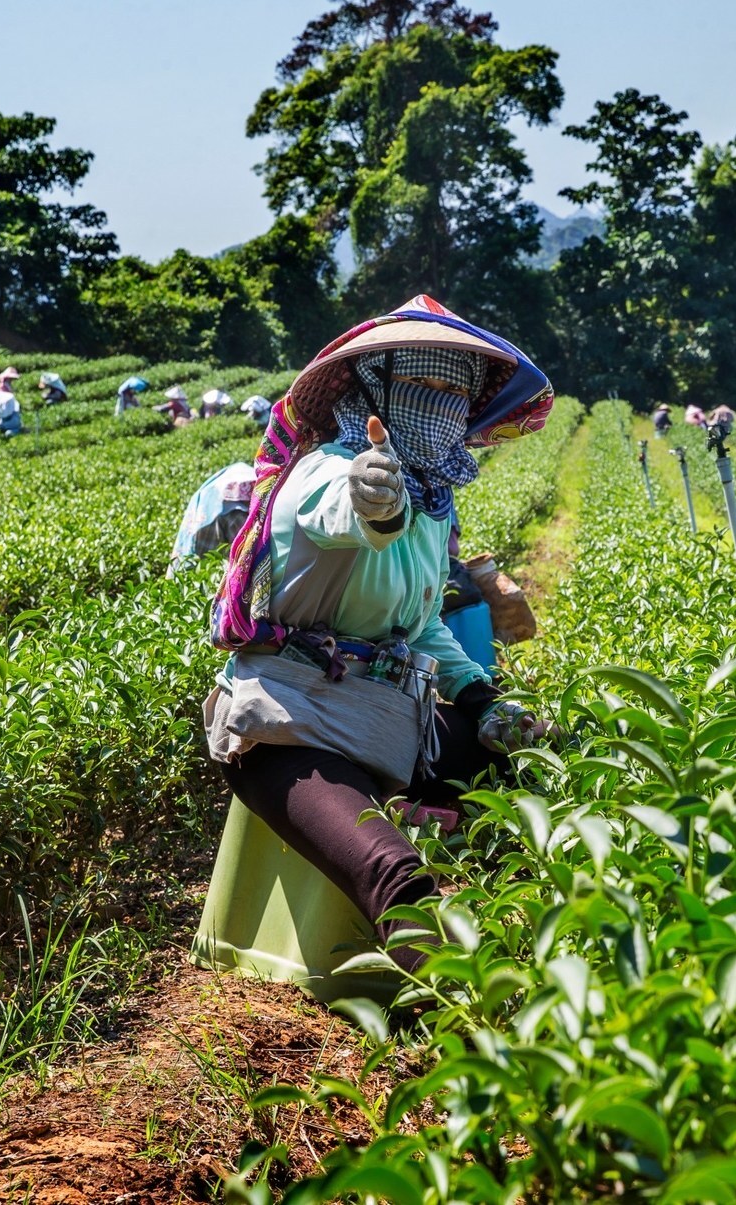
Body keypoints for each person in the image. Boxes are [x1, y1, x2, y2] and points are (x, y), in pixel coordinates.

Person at [205, 296, 557, 972]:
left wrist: (482, 701)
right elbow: (344, 510)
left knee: (535, 766)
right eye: (426, 384)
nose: (445, 404)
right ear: (374, 389)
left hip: (387, 717)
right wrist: (371, 495)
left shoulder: (430, 506)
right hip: (290, 724)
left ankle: (534, 940)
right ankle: (459, 1028)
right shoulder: (326, 469)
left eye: (458, 392)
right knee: (397, 876)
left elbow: (422, 624)